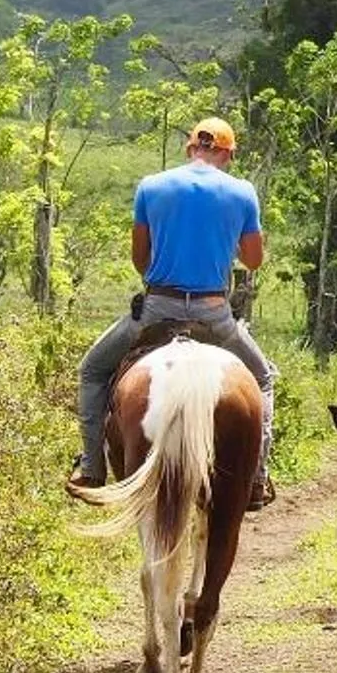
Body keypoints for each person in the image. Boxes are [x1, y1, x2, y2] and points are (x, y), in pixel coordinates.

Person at [69, 117, 275, 499]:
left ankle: (92, 467)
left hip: (156, 309)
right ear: (228, 153)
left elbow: (139, 258)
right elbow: (253, 260)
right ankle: (258, 477)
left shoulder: (151, 186)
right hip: (215, 314)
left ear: (189, 148)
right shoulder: (242, 192)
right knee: (262, 379)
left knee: (93, 371)